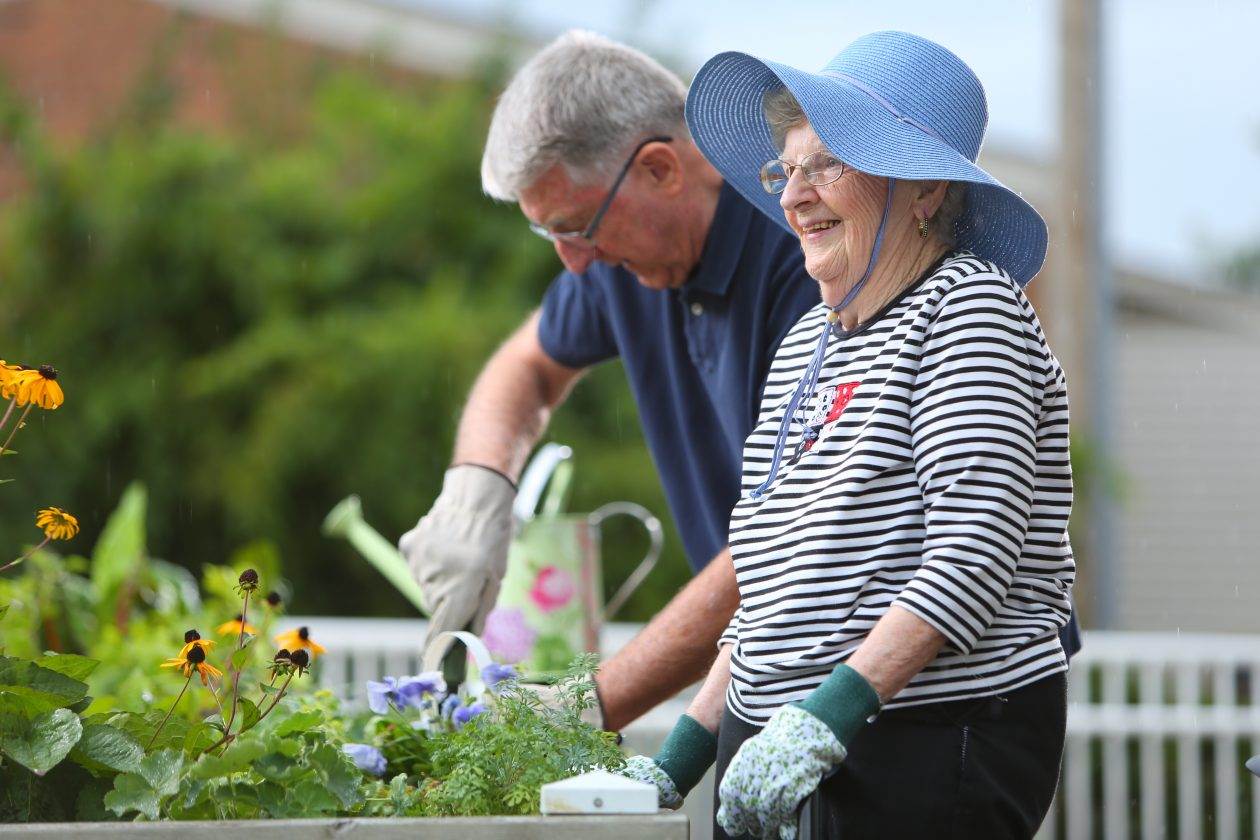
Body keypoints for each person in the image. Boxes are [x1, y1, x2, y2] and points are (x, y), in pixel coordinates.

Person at [623, 31, 1076, 838]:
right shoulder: (810, 341)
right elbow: (771, 584)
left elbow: (975, 547)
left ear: (926, 189)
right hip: (777, 744)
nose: (795, 196)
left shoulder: (970, 311)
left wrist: (828, 716)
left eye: (829, 164)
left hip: (920, 739)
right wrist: (682, 753)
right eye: (787, 169)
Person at [398, 30, 821, 731]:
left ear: (661, 168)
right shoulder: (626, 263)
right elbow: (526, 367)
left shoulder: (804, 252)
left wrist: (588, 706)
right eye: (551, 237)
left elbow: (785, 541)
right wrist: (477, 491)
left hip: (905, 699)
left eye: (578, 228)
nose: (573, 263)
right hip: (771, 673)